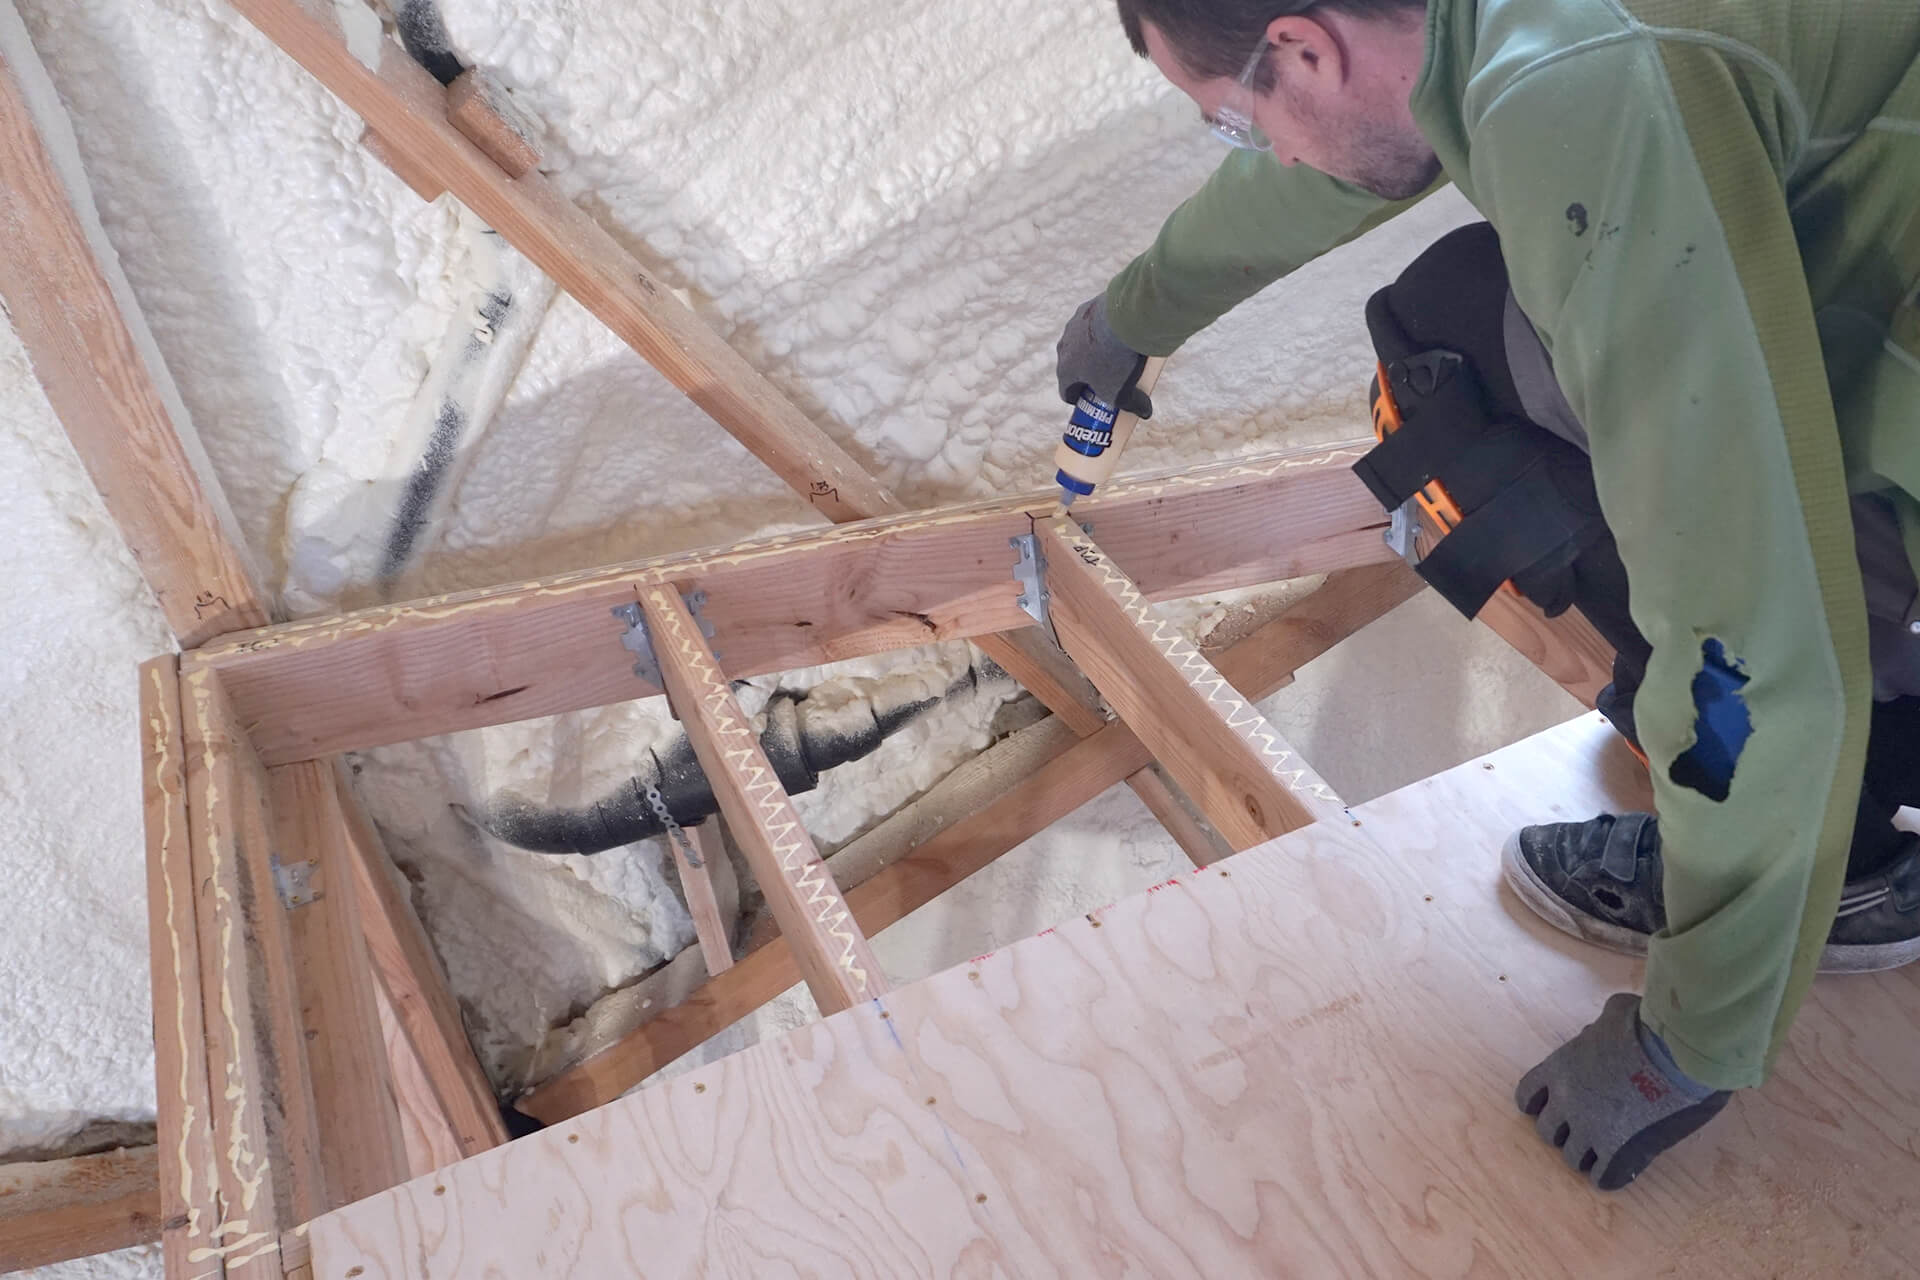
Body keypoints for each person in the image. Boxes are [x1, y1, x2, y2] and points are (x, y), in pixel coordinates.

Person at [1056, 0, 1920, 1191]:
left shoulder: (1579, 89)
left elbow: (1747, 626)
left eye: (1237, 124)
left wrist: (1688, 1042)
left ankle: (1856, 834)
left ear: (1305, 46)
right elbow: (1346, 156)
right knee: (1473, 306)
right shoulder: (1485, 29)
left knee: (1453, 372)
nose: (1271, 150)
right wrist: (1140, 308)